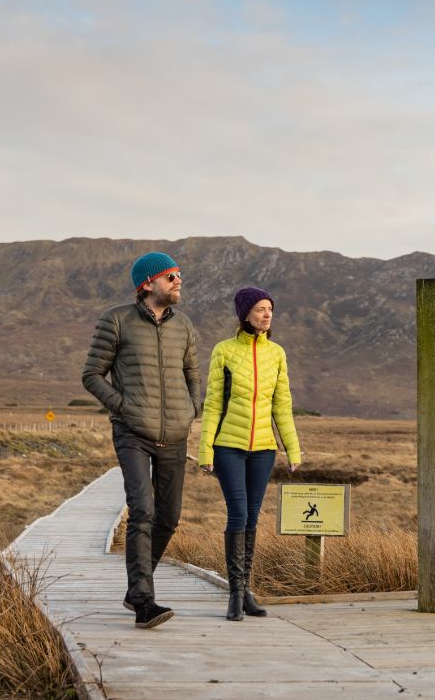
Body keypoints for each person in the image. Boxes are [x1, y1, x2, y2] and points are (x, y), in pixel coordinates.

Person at [82, 251, 201, 630]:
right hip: (133, 431)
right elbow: (92, 374)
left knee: (169, 517)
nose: (178, 281)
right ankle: (144, 601)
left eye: (179, 275)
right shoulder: (116, 320)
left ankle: (137, 587)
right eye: (170, 276)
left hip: (175, 435)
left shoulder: (184, 326)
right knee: (143, 510)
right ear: (147, 284)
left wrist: (191, 409)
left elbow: (193, 373)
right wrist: (124, 407)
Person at [198, 286, 303, 621]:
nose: (267, 314)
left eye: (270, 308)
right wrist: (205, 449)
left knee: (253, 518)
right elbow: (213, 403)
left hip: (263, 450)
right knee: (238, 515)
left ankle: (245, 591)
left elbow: (282, 406)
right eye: (260, 309)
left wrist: (292, 448)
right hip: (228, 446)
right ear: (244, 313)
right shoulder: (224, 352)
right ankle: (234, 593)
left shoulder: (277, 354)